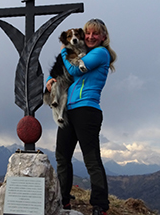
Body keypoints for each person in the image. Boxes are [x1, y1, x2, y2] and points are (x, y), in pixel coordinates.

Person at [46, 18, 117, 215]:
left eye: (96, 33)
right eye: (88, 33)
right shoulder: (82, 53)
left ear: (103, 37)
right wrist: (49, 82)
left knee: (91, 159)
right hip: (69, 110)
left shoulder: (100, 53)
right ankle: (63, 200)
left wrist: (63, 49)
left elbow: (75, 69)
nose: (91, 36)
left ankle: (100, 205)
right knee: (62, 157)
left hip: (87, 109)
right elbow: (62, 72)